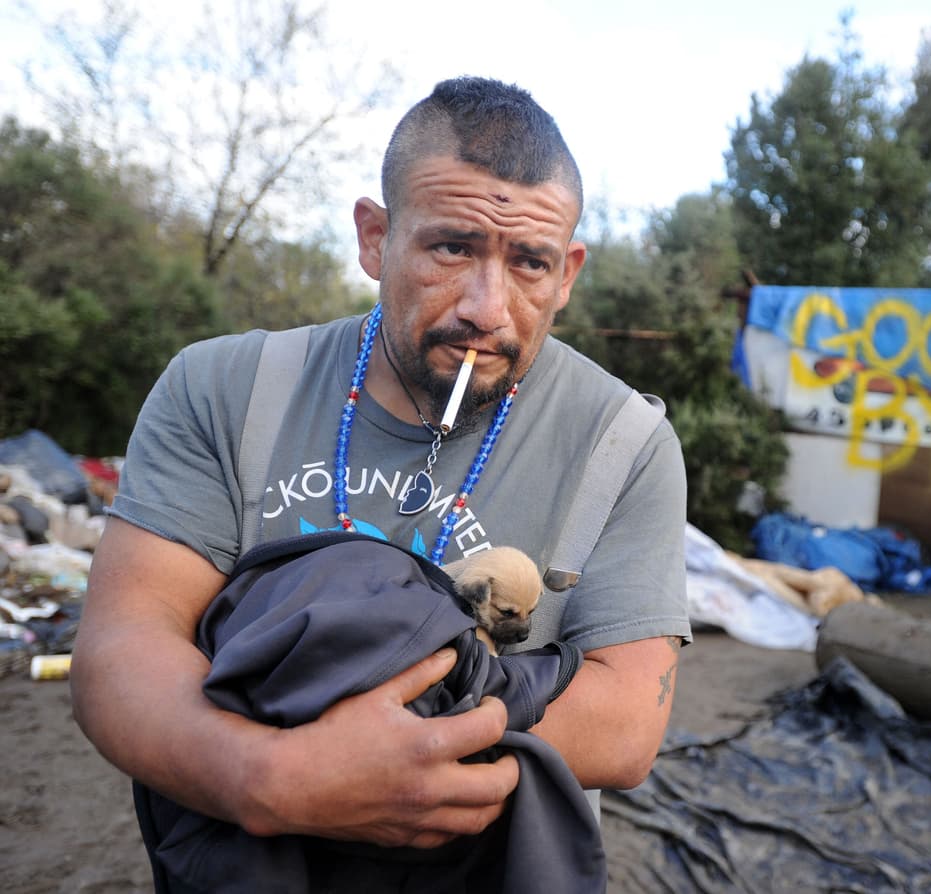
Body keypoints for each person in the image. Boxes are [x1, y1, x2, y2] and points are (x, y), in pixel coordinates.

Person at [71, 76, 689, 861]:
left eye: (529, 263)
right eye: (452, 248)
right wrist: (266, 778)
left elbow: (630, 724)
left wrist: (398, 743)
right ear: (375, 237)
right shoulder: (223, 389)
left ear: (566, 273)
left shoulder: (623, 441)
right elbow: (122, 646)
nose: (486, 309)